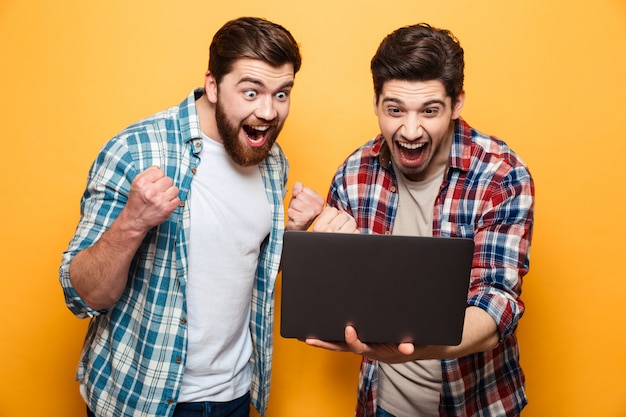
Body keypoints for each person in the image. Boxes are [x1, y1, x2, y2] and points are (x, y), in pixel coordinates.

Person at [59, 17, 330, 417]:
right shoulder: (136, 150)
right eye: (251, 92)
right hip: (143, 398)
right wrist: (133, 221)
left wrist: (294, 234)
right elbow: (82, 297)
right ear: (213, 85)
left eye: (282, 93)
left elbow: (247, 270)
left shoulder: (273, 163)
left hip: (235, 395)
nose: (269, 111)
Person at [306, 23, 535, 416]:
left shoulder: (503, 176)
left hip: (474, 404)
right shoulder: (353, 173)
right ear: (376, 102)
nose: (410, 131)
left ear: (457, 103)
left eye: (429, 111)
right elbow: (340, 293)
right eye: (395, 110)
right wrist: (310, 242)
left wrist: (416, 349)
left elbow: (497, 300)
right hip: (380, 405)